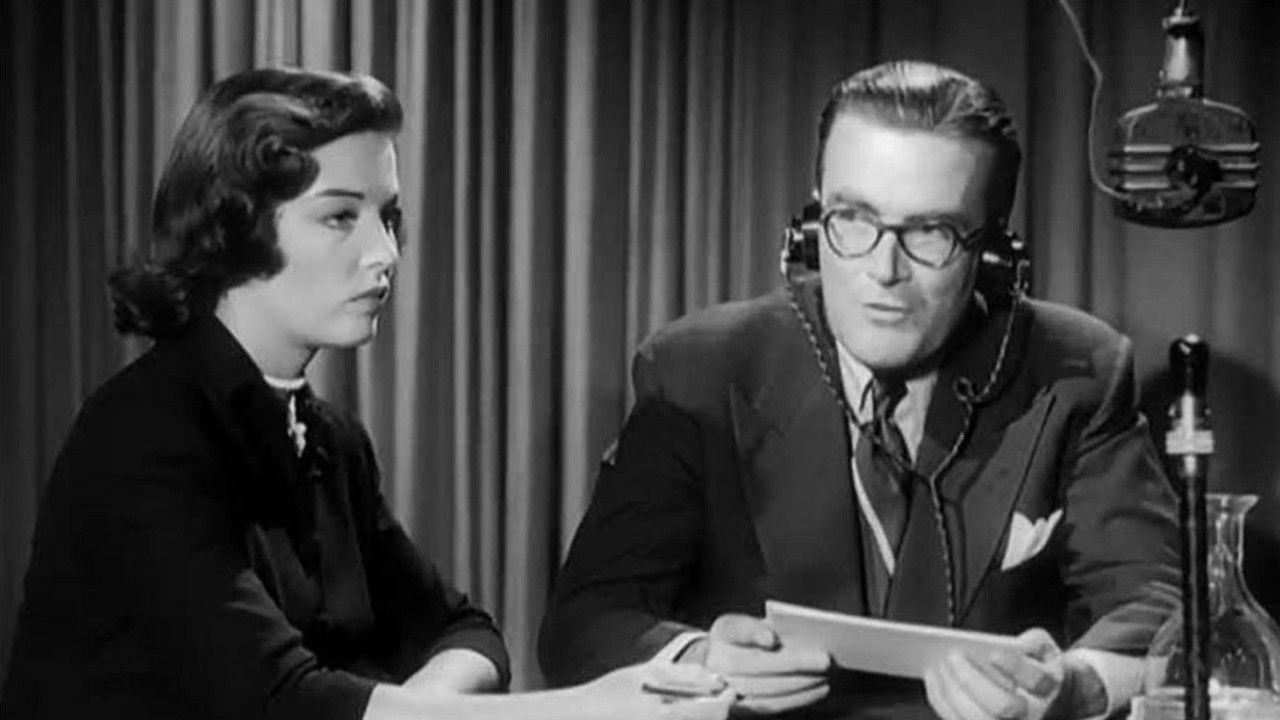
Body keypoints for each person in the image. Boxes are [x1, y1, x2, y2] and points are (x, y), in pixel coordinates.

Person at [0, 67, 732, 720]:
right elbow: (281, 703)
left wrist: (411, 712)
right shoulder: (144, 434)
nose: (385, 253)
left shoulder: (330, 441)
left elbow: (468, 632)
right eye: (340, 216)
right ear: (235, 225)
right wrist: (587, 709)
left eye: (388, 217)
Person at [539, 60, 1181, 720]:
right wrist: (698, 659)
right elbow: (585, 622)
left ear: (993, 255)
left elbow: (1159, 615)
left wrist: (1074, 684)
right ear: (808, 229)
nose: (883, 268)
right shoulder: (696, 371)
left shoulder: (1077, 371)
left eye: (931, 232)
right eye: (852, 218)